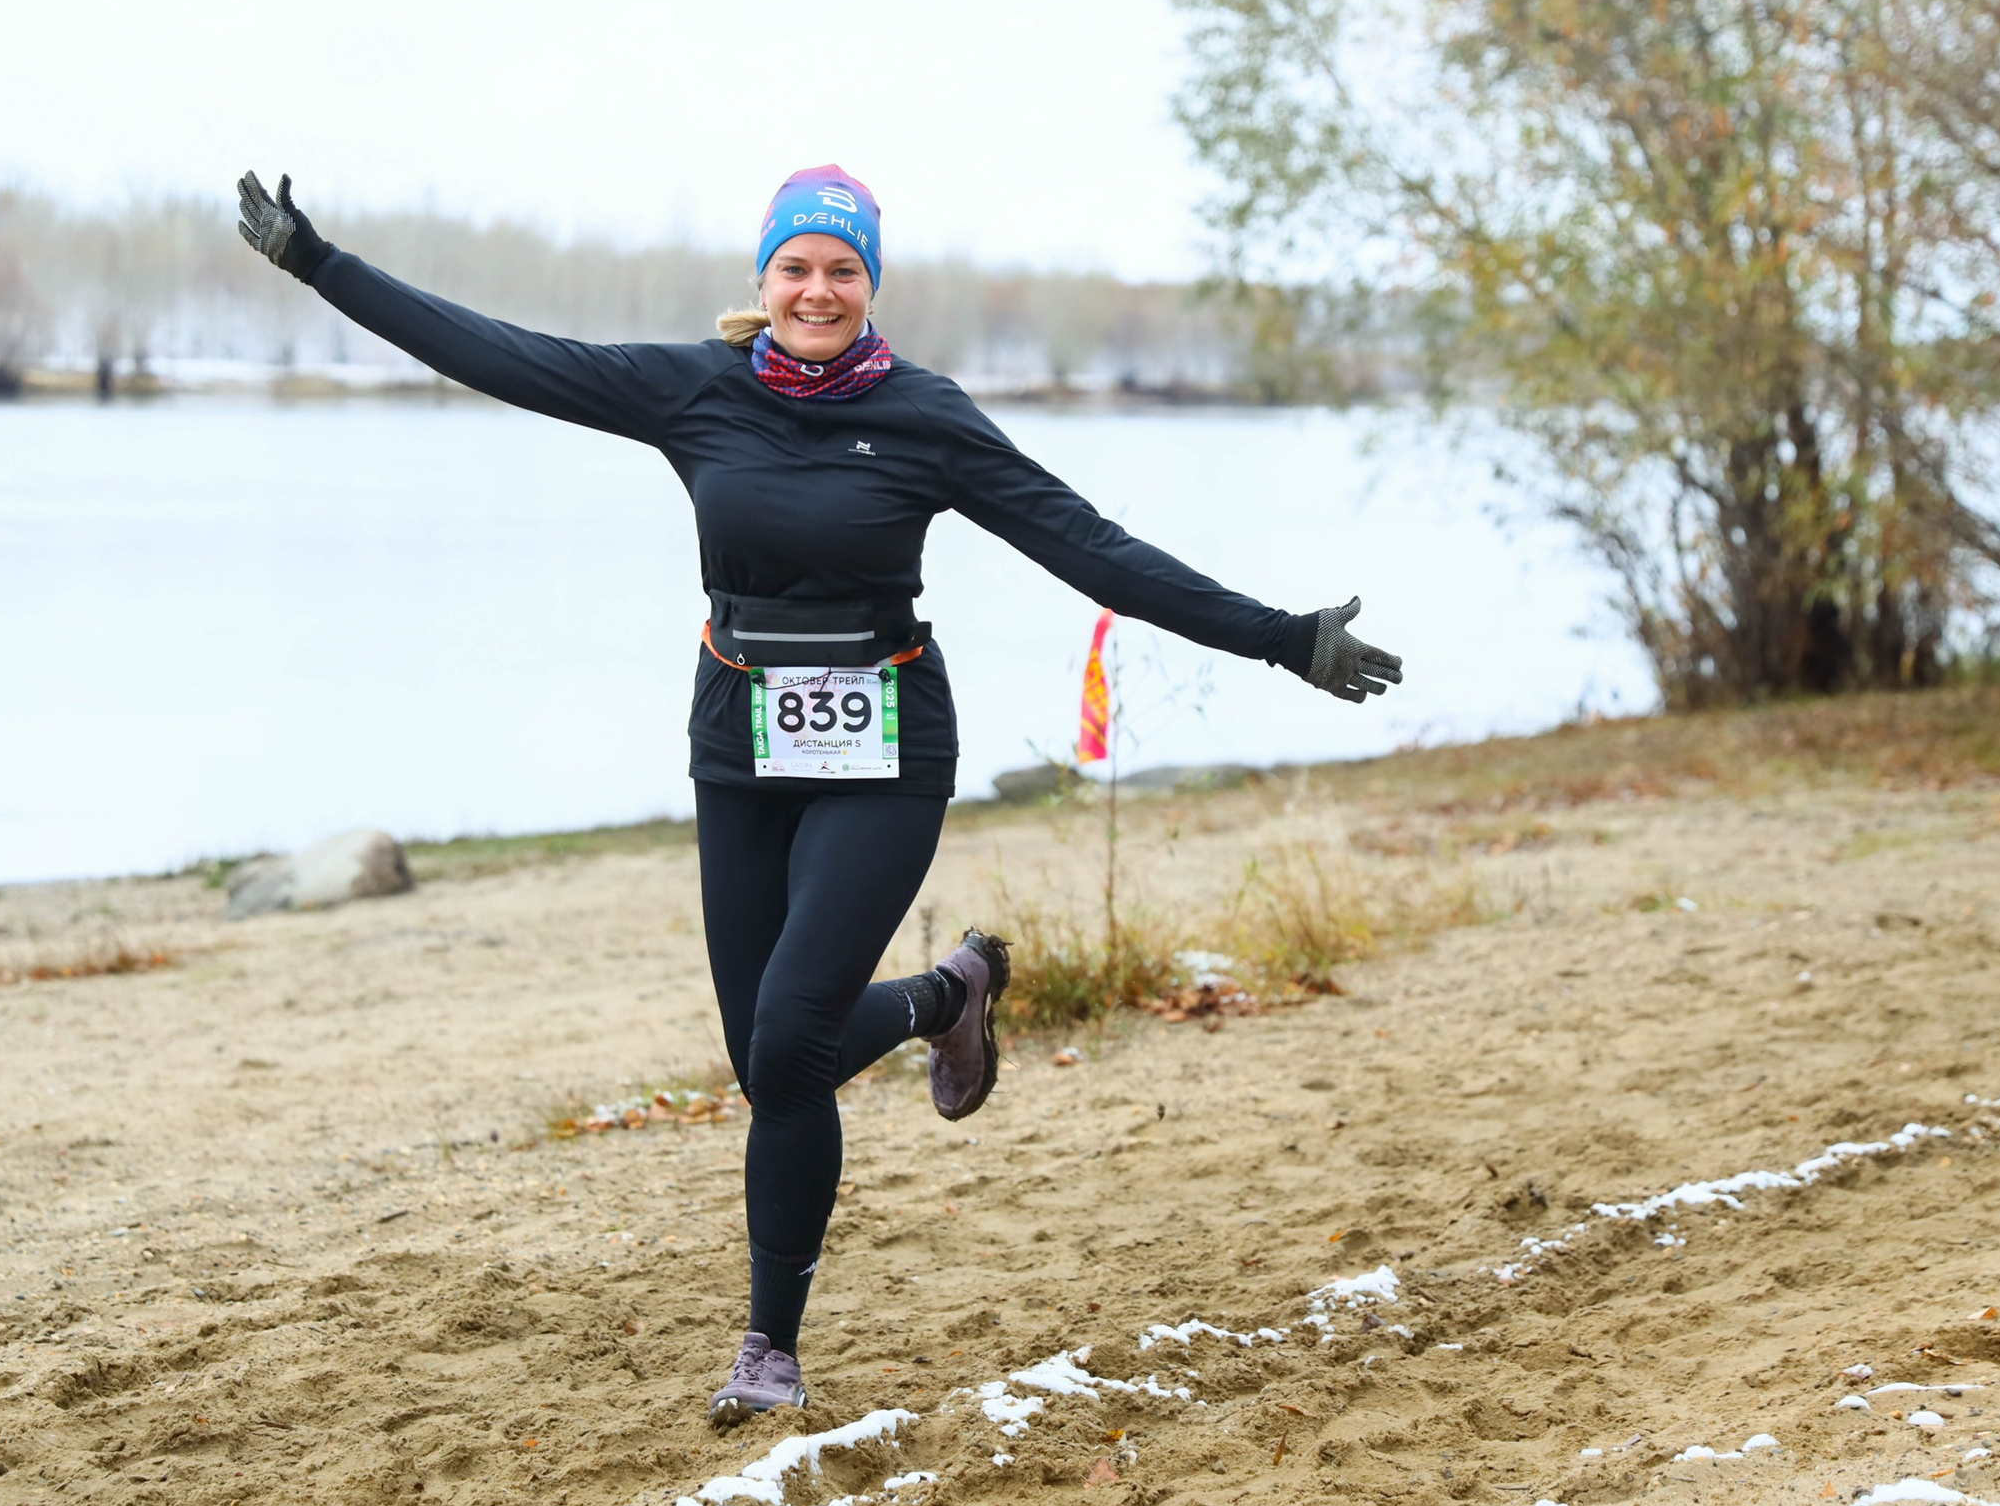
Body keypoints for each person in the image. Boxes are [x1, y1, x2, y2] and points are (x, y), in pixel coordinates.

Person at [233, 164, 1404, 1424]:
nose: (817, 288)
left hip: (888, 750)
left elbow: (1093, 550)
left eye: (842, 269)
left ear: (870, 287)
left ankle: (768, 1351)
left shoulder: (926, 416)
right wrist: (319, 263)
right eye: (797, 266)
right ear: (764, 280)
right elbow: (501, 353)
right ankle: (943, 997)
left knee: (789, 1044)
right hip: (742, 747)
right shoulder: (694, 390)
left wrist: (1285, 638)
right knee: (765, 1061)